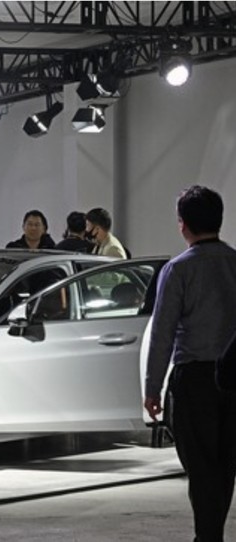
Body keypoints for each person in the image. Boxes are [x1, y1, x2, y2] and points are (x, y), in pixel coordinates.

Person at [144, 185, 236, 542]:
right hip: (233, 378)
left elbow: (162, 334)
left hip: (194, 379)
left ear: (183, 224)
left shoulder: (178, 269)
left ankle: (208, 536)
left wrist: (153, 388)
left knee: (200, 466)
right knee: (225, 464)